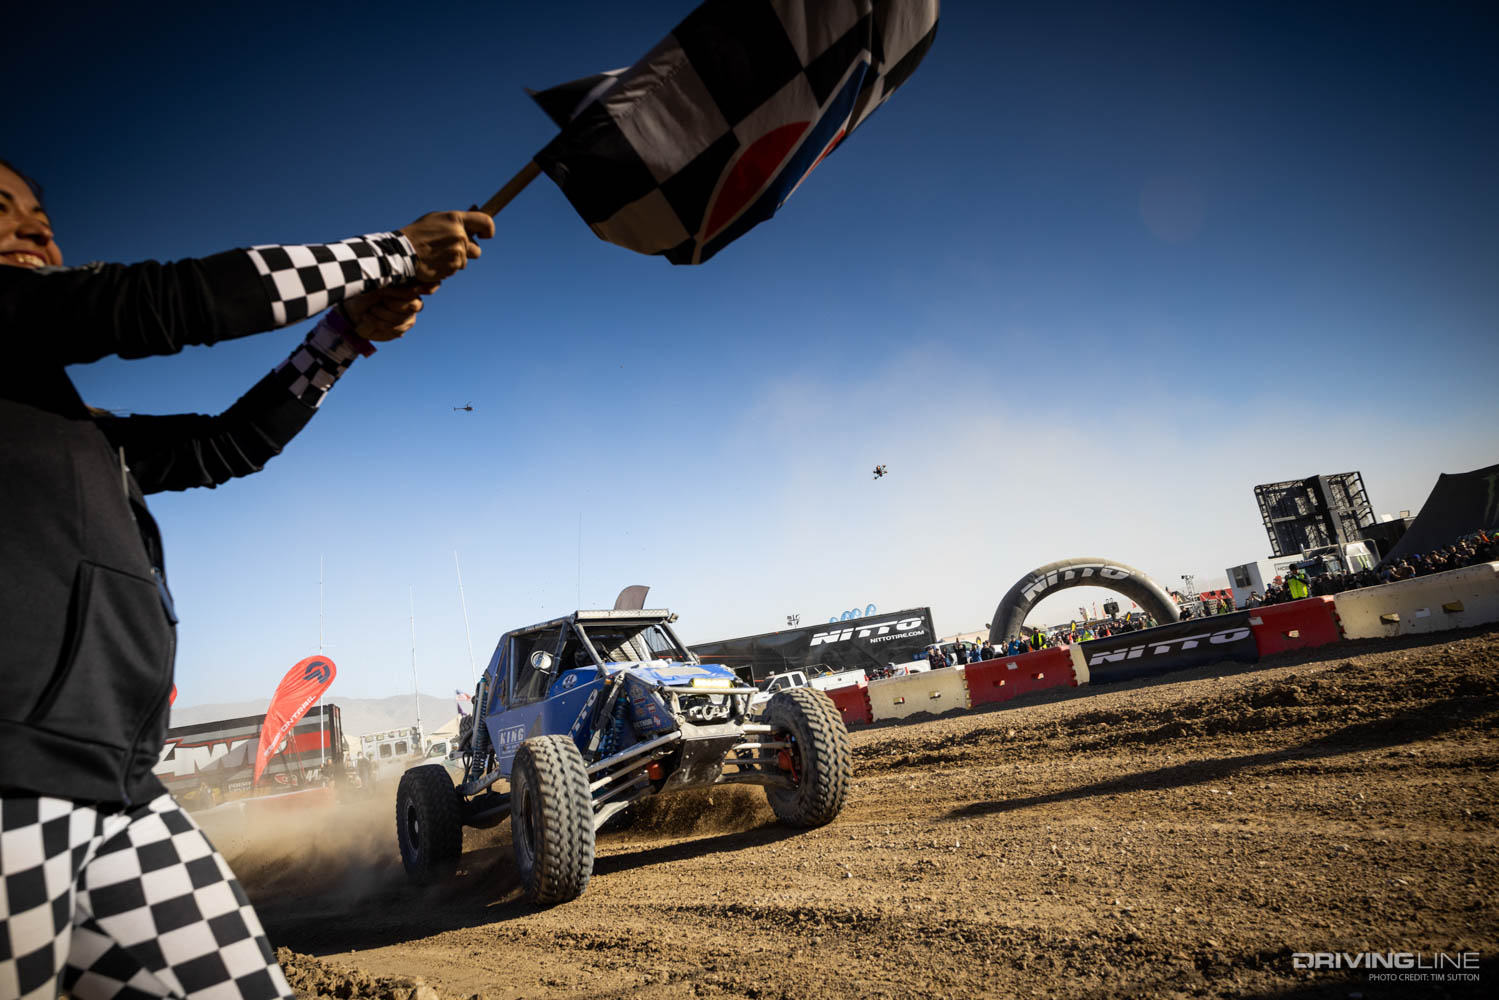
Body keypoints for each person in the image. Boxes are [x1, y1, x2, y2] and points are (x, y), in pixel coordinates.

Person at [0, 157, 493, 1000]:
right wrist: (384, 256)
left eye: (42, 215)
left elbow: (225, 446)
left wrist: (344, 336)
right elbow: (161, 303)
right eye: (2, 210)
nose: (40, 231)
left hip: (118, 789)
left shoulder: (63, 423)